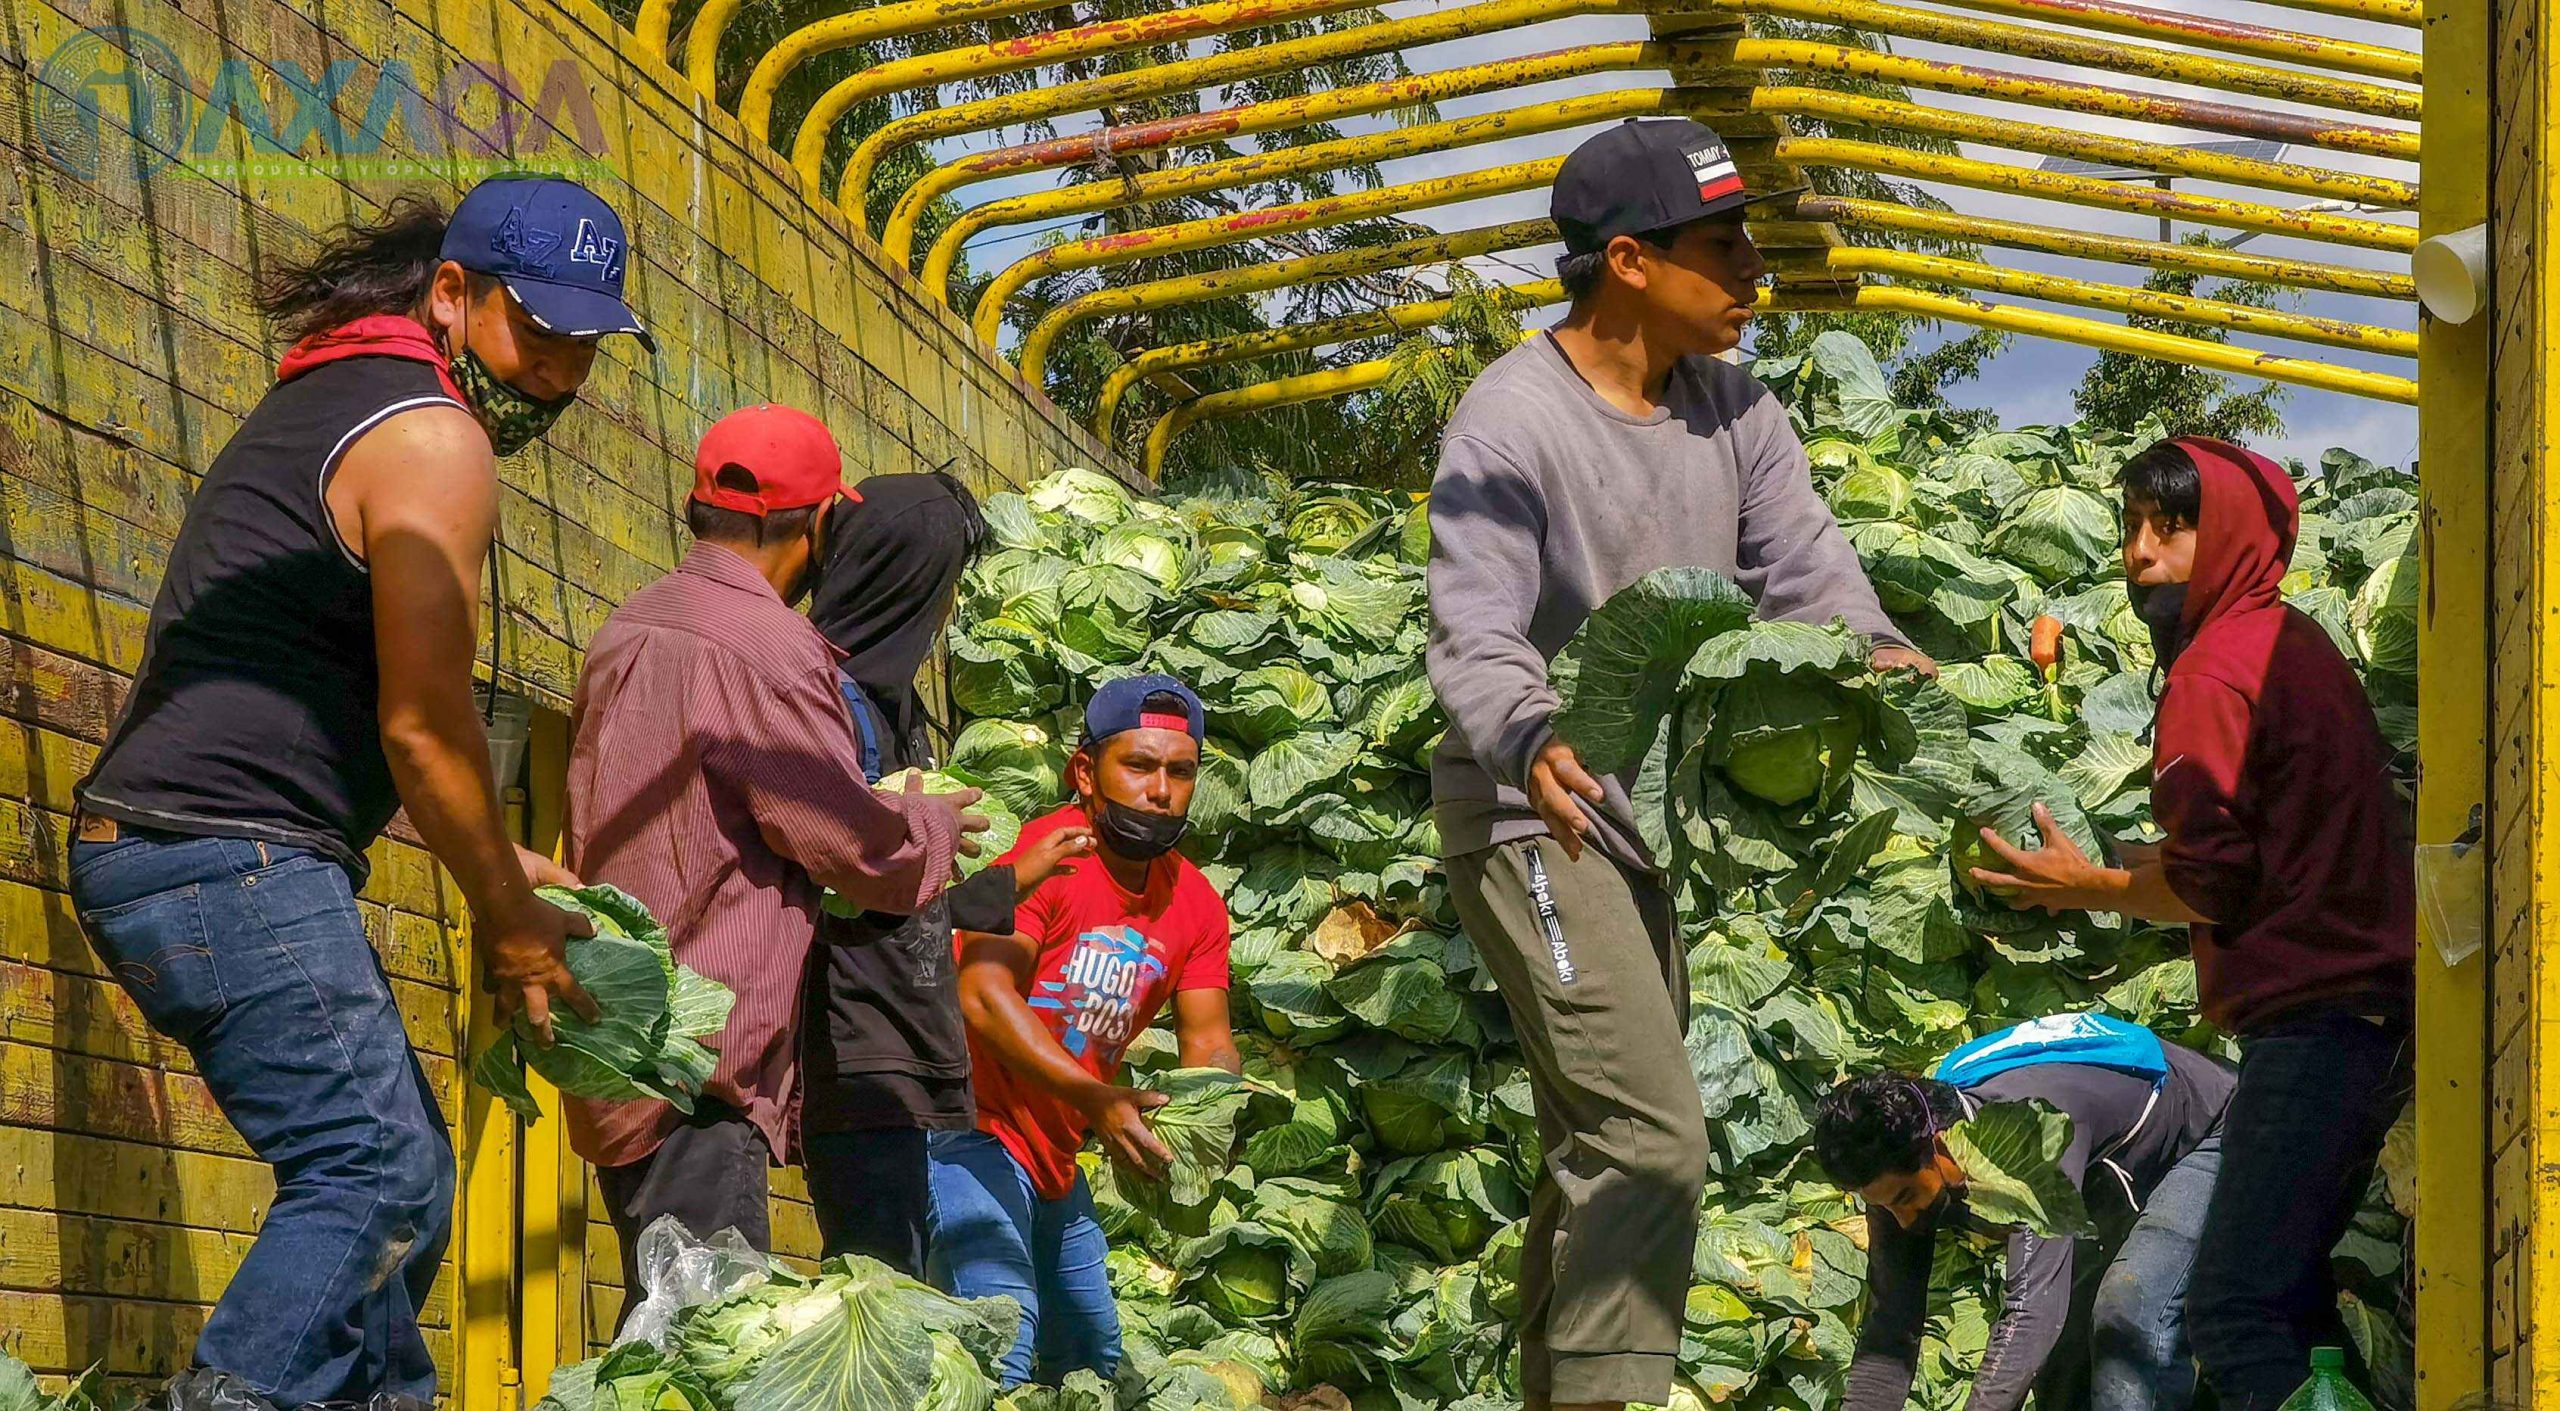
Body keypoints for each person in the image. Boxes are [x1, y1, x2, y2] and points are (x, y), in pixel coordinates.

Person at [66, 176, 647, 1411]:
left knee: (393, 1193)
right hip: (221, 858)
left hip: (190, 852)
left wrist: (500, 855)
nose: (554, 374)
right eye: (533, 334)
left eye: (582, 348)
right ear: (451, 293)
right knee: (375, 1169)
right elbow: (424, 723)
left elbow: (319, 690)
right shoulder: (433, 437)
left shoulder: (336, 396)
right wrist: (505, 914)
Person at [1423, 118, 1933, 1411]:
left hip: (1644, 824)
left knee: (1590, 1141)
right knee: (1651, 1132)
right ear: (1633, 262)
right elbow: (1474, 623)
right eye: (1727, 245)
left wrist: (1910, 674)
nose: (1756, 268)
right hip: (1531, 811)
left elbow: (1815, 580)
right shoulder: (1513, 419)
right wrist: (1532, 736)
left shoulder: (1738, 409)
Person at [1966, 436, 2416, 1410]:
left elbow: (2210, 885)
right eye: (2130, 525)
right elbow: (2261, 857)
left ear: (2234, 540)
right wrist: (2105, 870)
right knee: (2291, 1310)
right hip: (2360, 1016)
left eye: (2169, 528)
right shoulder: (2285, 642)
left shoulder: (2215, 671)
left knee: (2234, 1311)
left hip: (2321, 1025)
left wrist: (2090, 884)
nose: (2137, 551)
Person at [562, 404, 986, 1295]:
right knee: (706, 1338)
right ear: (824, 522)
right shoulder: (774, 648)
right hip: (700, 1057)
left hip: (620, 1028)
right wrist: (938, 826)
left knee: (668, 1305)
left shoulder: (628, 627)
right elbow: (848, 846)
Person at [797, 471, 1096, 1275]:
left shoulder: (894, 709)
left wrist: (1010, 881)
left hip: (905, 1045)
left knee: (906, 1275)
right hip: (859, 1053)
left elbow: (907, 891)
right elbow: (844, 879)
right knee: (878, 1280)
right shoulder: (827, 706)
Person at [934, 674, 1242, 1388]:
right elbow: (981, 995)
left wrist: (1212, 1121)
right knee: (999, 1341)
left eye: (1180, 771)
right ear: (1086, 771)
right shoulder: (1049, 855)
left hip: (1057, 1145)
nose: (1160, 790)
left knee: (1092, 1356)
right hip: (966, 1128)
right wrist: (1098, 1100)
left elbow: (1209, 1041)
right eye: (1138, 765)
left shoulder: (1194, 902)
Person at [1816, 1013, 2235, 1411]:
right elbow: (1890, 1327)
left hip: (2213, 1130)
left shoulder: (2029, 1137)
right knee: (2062, 1359)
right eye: (1884, 1206)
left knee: (2127, 1316)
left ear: (1941, 1145)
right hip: (2102, 1177)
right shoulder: (1893, 1160)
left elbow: (2031, 1315)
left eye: (1906, 1199)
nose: (1903, 1220)